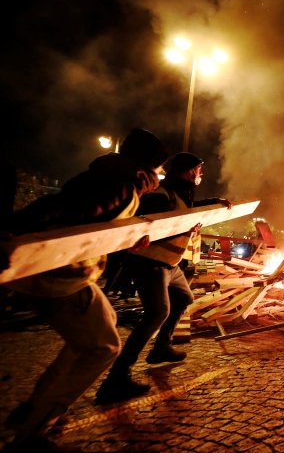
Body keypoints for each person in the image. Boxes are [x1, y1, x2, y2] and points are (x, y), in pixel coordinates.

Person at [1, 128, 168, 451]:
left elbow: (95, 228)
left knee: (95, 335)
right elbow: (63, 208)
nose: (160, 175)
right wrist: (12, 230)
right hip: (59, 278)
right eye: (158, 168)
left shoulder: (114, 178)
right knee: (102, 347)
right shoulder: (119, 183)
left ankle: (34, 407)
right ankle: (34, 430)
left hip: (74, 274)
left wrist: (127, 241)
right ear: (144, 167)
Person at [94, 152, 231, 404]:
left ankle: (160, 348)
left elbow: (187, 212)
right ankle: (116, 379)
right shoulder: (162, 193)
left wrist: (217, 203)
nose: (201, 174)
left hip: (170, 264)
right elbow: (146, 226)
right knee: (157, 312)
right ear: (190, 170)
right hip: (150, 262)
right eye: (199, 169)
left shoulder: (181, 194)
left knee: (184, 297)